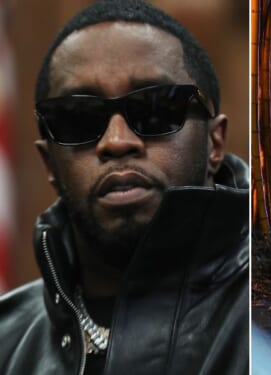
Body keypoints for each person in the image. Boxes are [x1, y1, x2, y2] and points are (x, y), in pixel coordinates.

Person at [0, 1, 248, 373]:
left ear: (214, 143)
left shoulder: (266, 323)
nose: (116, 141)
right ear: (50, 164)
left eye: (155, 108)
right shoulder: (7, 338)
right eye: (79, 118)